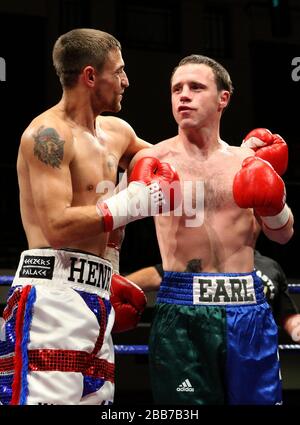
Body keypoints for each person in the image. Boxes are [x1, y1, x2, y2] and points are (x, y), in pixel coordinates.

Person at [0, 28, 180, 405]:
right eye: (120, 71)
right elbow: (57, 225)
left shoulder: (117, 132)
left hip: (99, 297)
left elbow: (176, 162)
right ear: (91, 76)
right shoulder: (47, 135)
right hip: (51, 300)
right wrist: (132, 202)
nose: (127, 81)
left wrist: (240, 155)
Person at [126, 54, 294, 405]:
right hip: (181, 309)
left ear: (223, 98)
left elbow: (283, 234)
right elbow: (111, 225)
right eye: (176, 89)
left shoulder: (249, 162)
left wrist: (273, 203)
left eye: (196, 87)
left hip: (246, 308)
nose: (183, 95)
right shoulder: (152, 160)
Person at [126, 255, 300, 342]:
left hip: (255, 349)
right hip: (202, 345)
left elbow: (286, 313)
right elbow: (158, 274)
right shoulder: (206, 258)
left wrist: (296, 328)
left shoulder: (270, 266)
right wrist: (115, 287)